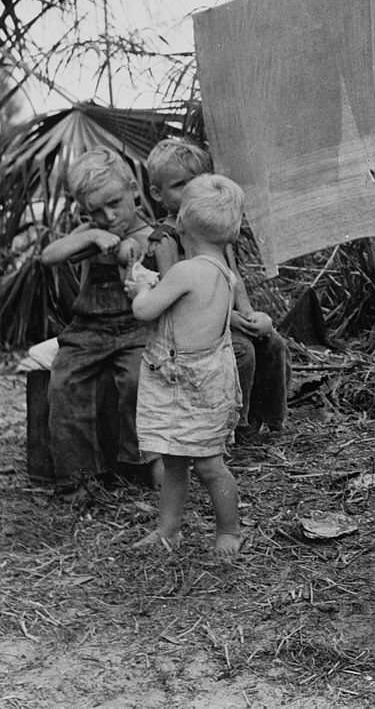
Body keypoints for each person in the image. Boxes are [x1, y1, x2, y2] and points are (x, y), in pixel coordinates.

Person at [127, 174, 246, 559]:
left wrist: (140, 287)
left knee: (203, 463)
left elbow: (145, 311)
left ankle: (229, 530)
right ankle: (170, 530)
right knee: (184, 457)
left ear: (179, 223)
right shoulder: (223, 274)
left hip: (184, 381)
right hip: (209, 379)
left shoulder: (184, 271)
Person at [145, 138, 290, 440]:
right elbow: (175, 298)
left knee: (273, 343)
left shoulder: (212, 226)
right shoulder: (167, 238)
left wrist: (249, 316)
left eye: (197, 181)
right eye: (179, 184)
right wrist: (231, 320)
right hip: (195, 328)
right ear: (158, 194)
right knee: (242, 352)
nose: (191, 190)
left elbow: (233, 279)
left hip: (226, 319)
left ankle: (270, 420)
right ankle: (235, 427)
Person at [41, 147, 159, 500]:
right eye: (95, 211)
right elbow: (48, 257)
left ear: (133, 189)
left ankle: (140, 465)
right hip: (88, 329)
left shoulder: (152, 234)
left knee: (139, 380)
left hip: (136, 327)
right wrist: (91, 236)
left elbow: (131, 252)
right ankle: (79, 477)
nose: (107, 216)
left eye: (114, 203)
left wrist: (123, 248)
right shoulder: (90, 231)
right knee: (64, 383)